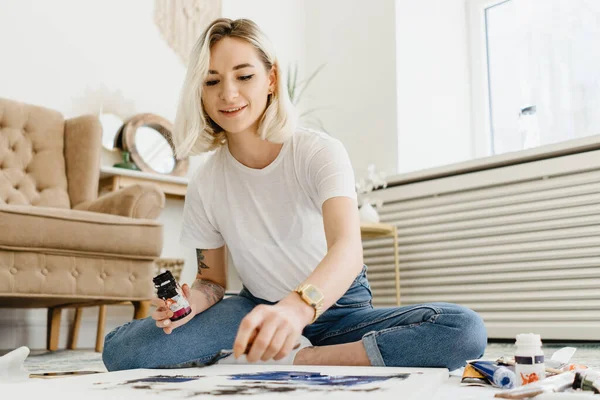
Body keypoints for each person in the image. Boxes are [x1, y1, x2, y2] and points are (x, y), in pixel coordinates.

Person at [102, 18, 487, 372]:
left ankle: (300, 357)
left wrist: (295, 312)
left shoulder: (318, 151)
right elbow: (211, 281)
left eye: (244, 76)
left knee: (463, 330)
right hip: (256, 309)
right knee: (122, 351)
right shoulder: (206, 181)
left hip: (339, 312)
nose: (228, 93)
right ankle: (273, 348)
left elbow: (348, 250)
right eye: (212, 80)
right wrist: (189, 306)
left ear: (271, 79)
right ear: (199, 92)